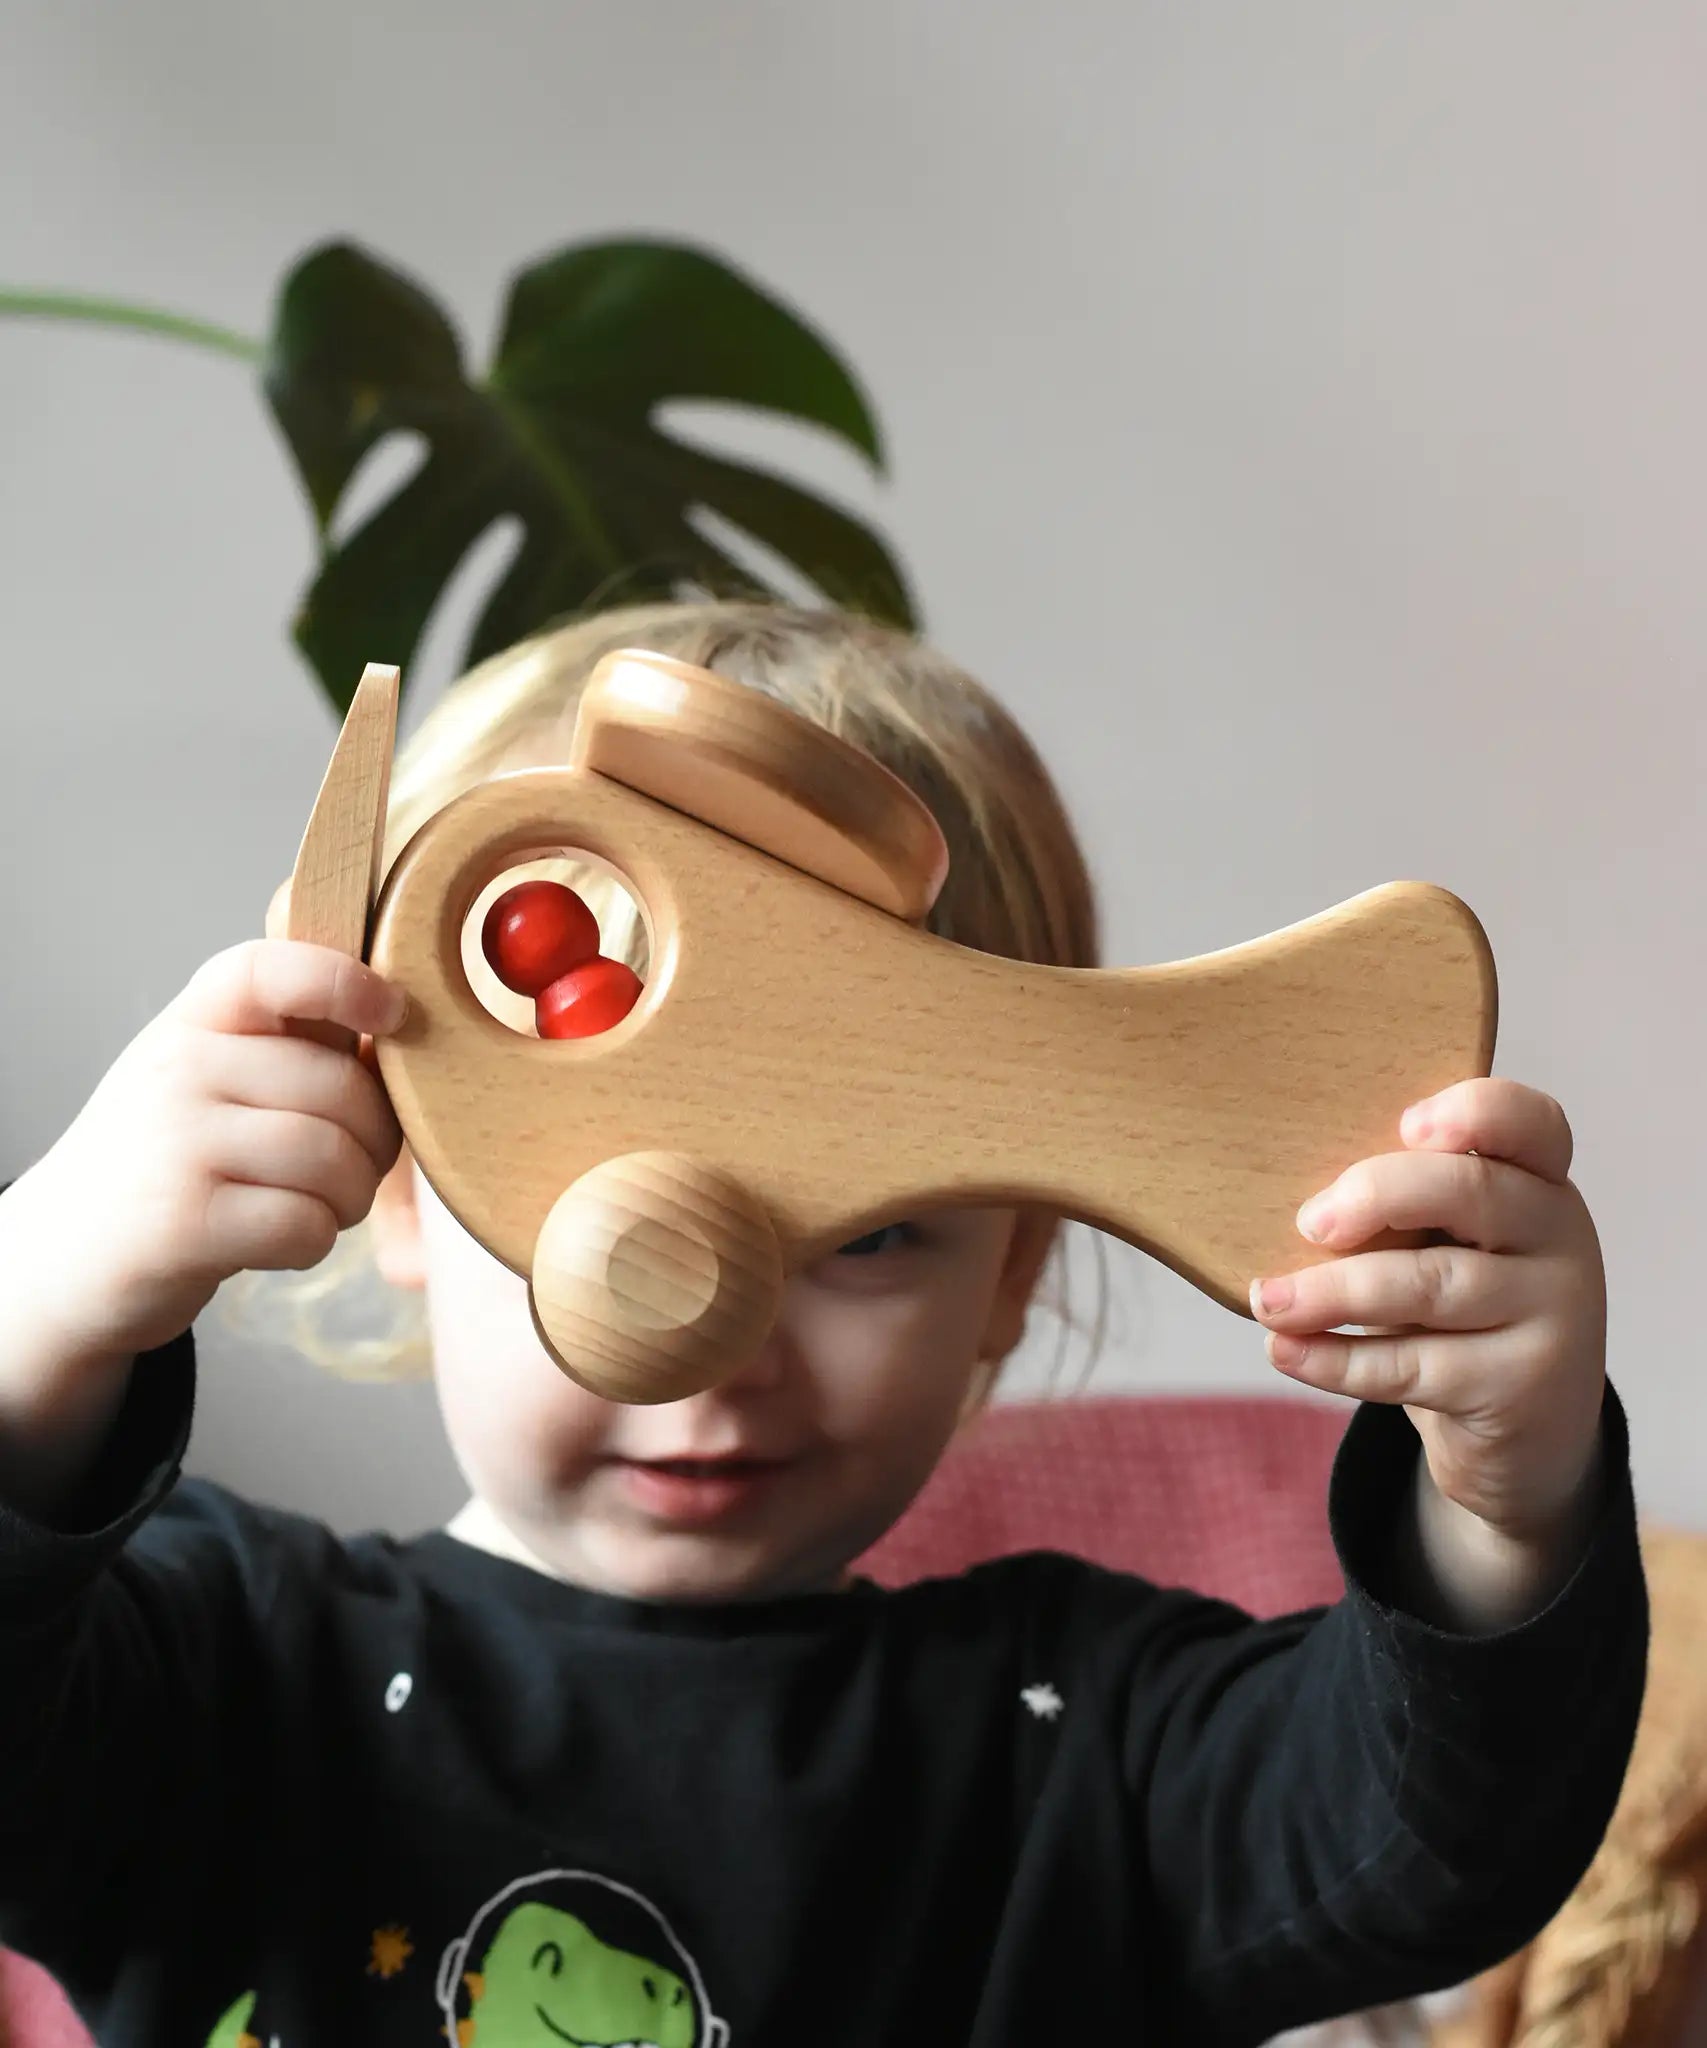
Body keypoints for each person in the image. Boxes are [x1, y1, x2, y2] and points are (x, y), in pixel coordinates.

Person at [0, 601, 1645, 2048]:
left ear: (1013, 1273)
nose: (721, 1349)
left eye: (872, 1236)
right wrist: (41, 1305)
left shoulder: (1085, 1752)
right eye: (598, 1211)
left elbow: (1433, 1843)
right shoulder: (226, 1684)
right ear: (408, 1200)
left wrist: (1508, 1493)